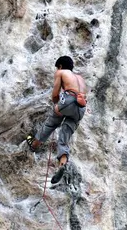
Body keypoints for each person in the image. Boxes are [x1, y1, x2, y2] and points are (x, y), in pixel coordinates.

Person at [27, 56, 87, 184]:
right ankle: (62, 163)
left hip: (68, 101)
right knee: (64, 137)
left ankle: (34, 145)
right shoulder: (80, 78)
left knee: (51, 123)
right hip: (81, 108)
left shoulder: (60, 72)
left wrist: (56, 105)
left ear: (60, 66)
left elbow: (55, 94)